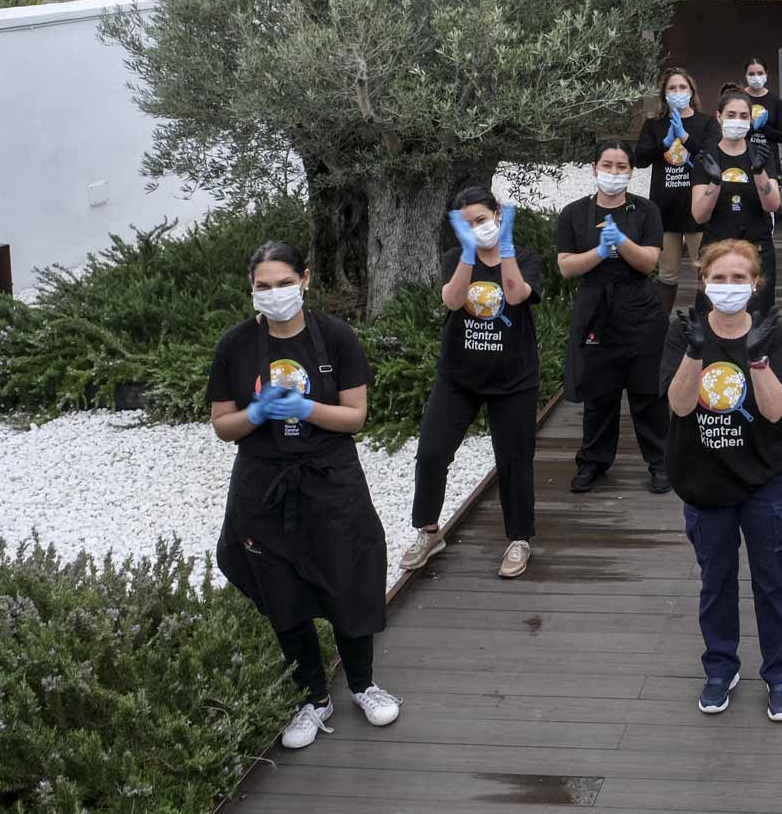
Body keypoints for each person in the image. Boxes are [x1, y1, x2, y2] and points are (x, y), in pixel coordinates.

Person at [208, 241, 400, 751]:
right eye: (263, 286)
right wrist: (256, 415)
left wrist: (303, 407)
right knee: (282, 592)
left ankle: (363, 684)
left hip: (331, 479)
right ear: (251, 289)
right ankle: (312, 698)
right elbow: (223, 425)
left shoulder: (336, 338)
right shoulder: (235, 346)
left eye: (284, 283)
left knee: (349, 579)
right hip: (262, 484)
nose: (275, 294)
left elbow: (355, 416)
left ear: (306, 280)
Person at [660, 241, 782, 722]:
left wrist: (758, 360)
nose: (728, 287)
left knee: (772, 582)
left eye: (738, 278)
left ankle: (780, 674)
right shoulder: (683, 333)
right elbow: (680, 406)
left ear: (755, 283)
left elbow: (777, 410)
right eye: (718, 279)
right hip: (705, 483)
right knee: (715, 583)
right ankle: (720, 667)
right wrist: (695, 354)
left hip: (765, 482)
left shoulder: (774, 335)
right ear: (702, 283)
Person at [400, 186, 542, 580]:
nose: (476, 229)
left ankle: (519, 539)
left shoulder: (525, 257)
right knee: (431, 453)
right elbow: (451, 299)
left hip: (514, 378)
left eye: (481, 220)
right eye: (466, 225)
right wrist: (466, 253)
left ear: (497, 214)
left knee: (514, 462)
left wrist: (507, 248)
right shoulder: (453, 258)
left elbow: (515, 296)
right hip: (459, 377)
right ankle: (429, 532)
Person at [556, 140, 671, 495]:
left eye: (621, 167)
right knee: (599, 392)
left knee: (647, 390)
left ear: (631, 172)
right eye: (607, 165)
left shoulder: (646, 211)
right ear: (594, 168)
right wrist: (599, 251)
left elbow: (650, 261)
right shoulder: (574, 213)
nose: (614, 173)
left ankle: (660, 462)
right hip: (595, 309)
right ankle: (593, 461)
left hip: (640, 309)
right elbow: (566, 266)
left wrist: (620, 241)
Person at [636, 67, 720, 311]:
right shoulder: (653, 125)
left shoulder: (707, 123)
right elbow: (639, 160)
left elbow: (709, 157)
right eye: (672, 88)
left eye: (682, 87)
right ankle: (660, 327)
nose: (677, 92)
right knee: (667, 274)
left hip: (697, 208)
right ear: (664, 94)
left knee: (703, 269)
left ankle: (705, 325)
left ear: (692, 92)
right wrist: (663, 144)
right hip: (664, 209)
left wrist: (684, 138)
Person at [694, 90, 782, 314]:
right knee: (712, 319)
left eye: (744, 116)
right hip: (716, 251)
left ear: (751, 120)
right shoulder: (706, 157)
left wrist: (759, 171)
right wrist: (714, 181)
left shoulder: (761, 154)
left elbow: (772, 205)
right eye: (731, 114)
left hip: (757, 249)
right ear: (719, 117)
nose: (738, 120)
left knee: (759, 318)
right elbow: (699, 215)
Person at [739, 58, 782, 156]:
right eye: (751, 74)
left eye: (760, 73)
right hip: (744, 155)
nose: (756, 77)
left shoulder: (774, 100)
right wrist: (752, 126)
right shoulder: (738, 98)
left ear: (766, 74)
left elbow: (781, 137)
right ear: (746, 76)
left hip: (769, 156)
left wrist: (763, 126)